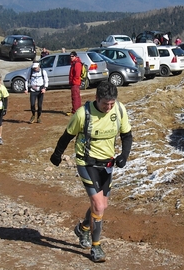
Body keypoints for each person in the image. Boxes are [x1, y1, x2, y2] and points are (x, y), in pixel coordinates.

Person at [50, 81, 132, 263]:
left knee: (102, 205)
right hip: (86, 163)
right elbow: (67, 136)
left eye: (111, 104)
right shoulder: (82, 114)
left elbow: (127, 135)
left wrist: (123, 156)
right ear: (97, 99)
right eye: (105, 104)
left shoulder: (118, 110)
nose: (108, 108)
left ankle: (83, 228)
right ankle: (96, 247)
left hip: (107, 165)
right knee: (99, 206)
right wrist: (57, 155)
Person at [68, 51, 82, 115]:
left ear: (75, 56)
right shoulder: (74, 63)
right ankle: (76, 109)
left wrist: (73, 81)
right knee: (76, 97)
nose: (71, 57)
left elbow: (77, 74)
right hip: (75, 82)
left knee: (75, 97)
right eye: (70, 56)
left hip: (75, 83)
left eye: (72, 56)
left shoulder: (77, 64)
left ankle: (75, 110)